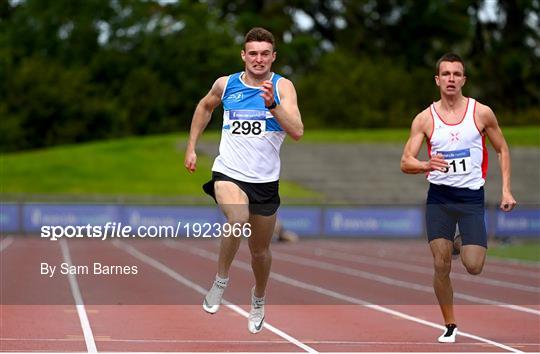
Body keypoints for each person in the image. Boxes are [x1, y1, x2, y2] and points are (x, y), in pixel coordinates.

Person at [184, 27, 303, 334]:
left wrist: (273, 106)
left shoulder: (283, 87)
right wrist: (192, 147)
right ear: (243, 55)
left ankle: (259, 299)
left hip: (264, 181)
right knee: (236, 219)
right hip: (229, 172)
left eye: (265, 54)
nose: (258, 59)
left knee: (260, 252)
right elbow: (204, 107)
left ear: (273, 57)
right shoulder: (226, 84)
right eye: (253, 53)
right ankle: (220, 281)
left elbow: (298, 131)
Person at [400, 53, 516, 343]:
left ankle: (461, 240)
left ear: (463, 79)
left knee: (474, 266)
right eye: (446, 74)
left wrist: (505, 189)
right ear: (437, 80)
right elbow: (406, 161)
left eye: (456, 74)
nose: (451, 79)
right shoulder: (425, 119)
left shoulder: (481, 113)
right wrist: (427, 164)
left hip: (470, 199)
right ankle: (450, 324)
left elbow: (502, 149)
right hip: (439, 197)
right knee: (441, 263)